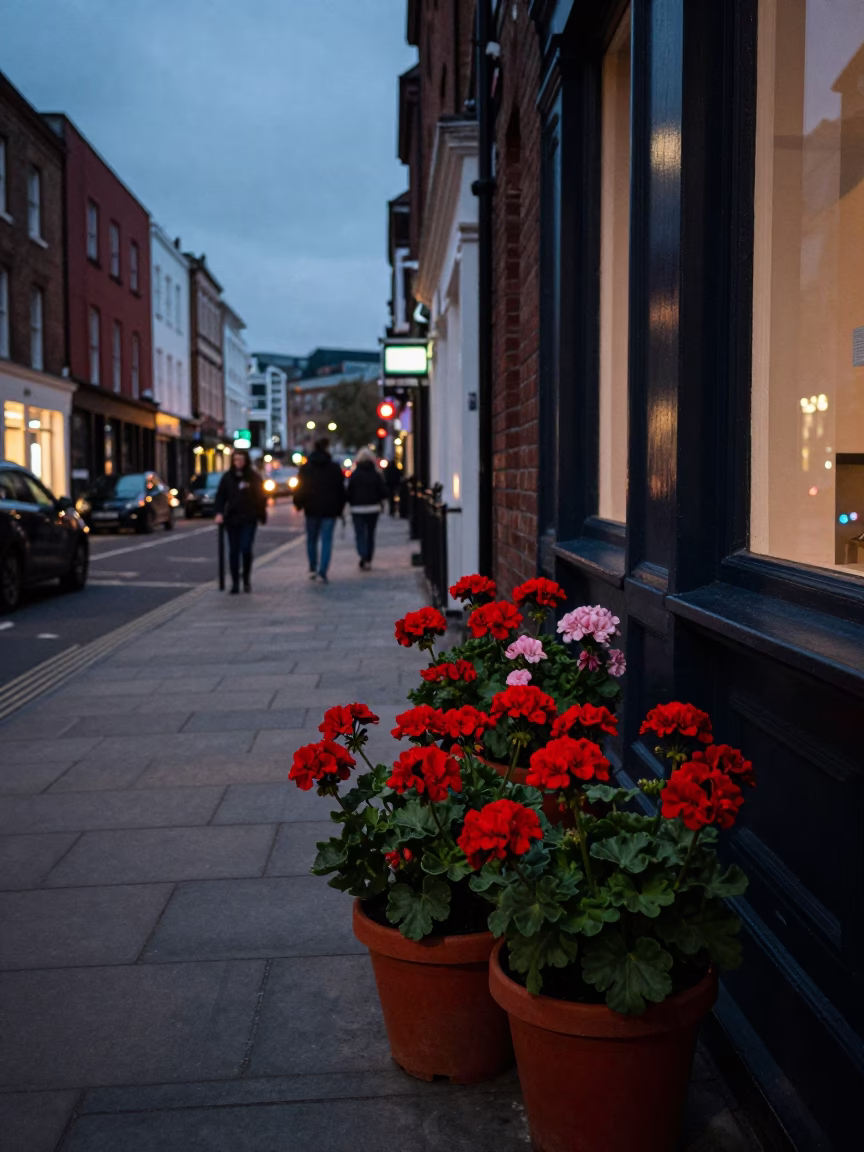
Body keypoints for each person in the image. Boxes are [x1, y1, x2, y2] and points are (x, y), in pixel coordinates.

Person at [293, 438, 346, 583]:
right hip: (329, 509)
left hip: (311, 508)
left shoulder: (306, 468)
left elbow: (300, 488)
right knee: (327, 540)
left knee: (311, 539)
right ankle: (322, 570)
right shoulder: (334, 467)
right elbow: (340, 490)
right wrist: (340, 508)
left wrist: (298, 504)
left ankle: (312, 567)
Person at [214, 450, 267, 594]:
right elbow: (220, 496)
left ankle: (246, 579)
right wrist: (219, 513)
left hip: (249, 518)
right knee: (234, 551)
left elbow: (261, 497)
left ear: (246, 460)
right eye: (236, 459)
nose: (238, 462)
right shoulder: (227, 477)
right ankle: (235, 582)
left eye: (241, 459)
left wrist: (261, 514)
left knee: (246, 549)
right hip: (232, 519)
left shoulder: (253, 477)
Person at [347, 448, 388, 570]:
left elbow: (349, 491)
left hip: (357, 508)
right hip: (373, 508)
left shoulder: (355, 474)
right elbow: (383, 491)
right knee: (370, 534)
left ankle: (363, 554)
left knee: (360, 533)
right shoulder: (376, 474)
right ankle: (368, 558)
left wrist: (350, 501)